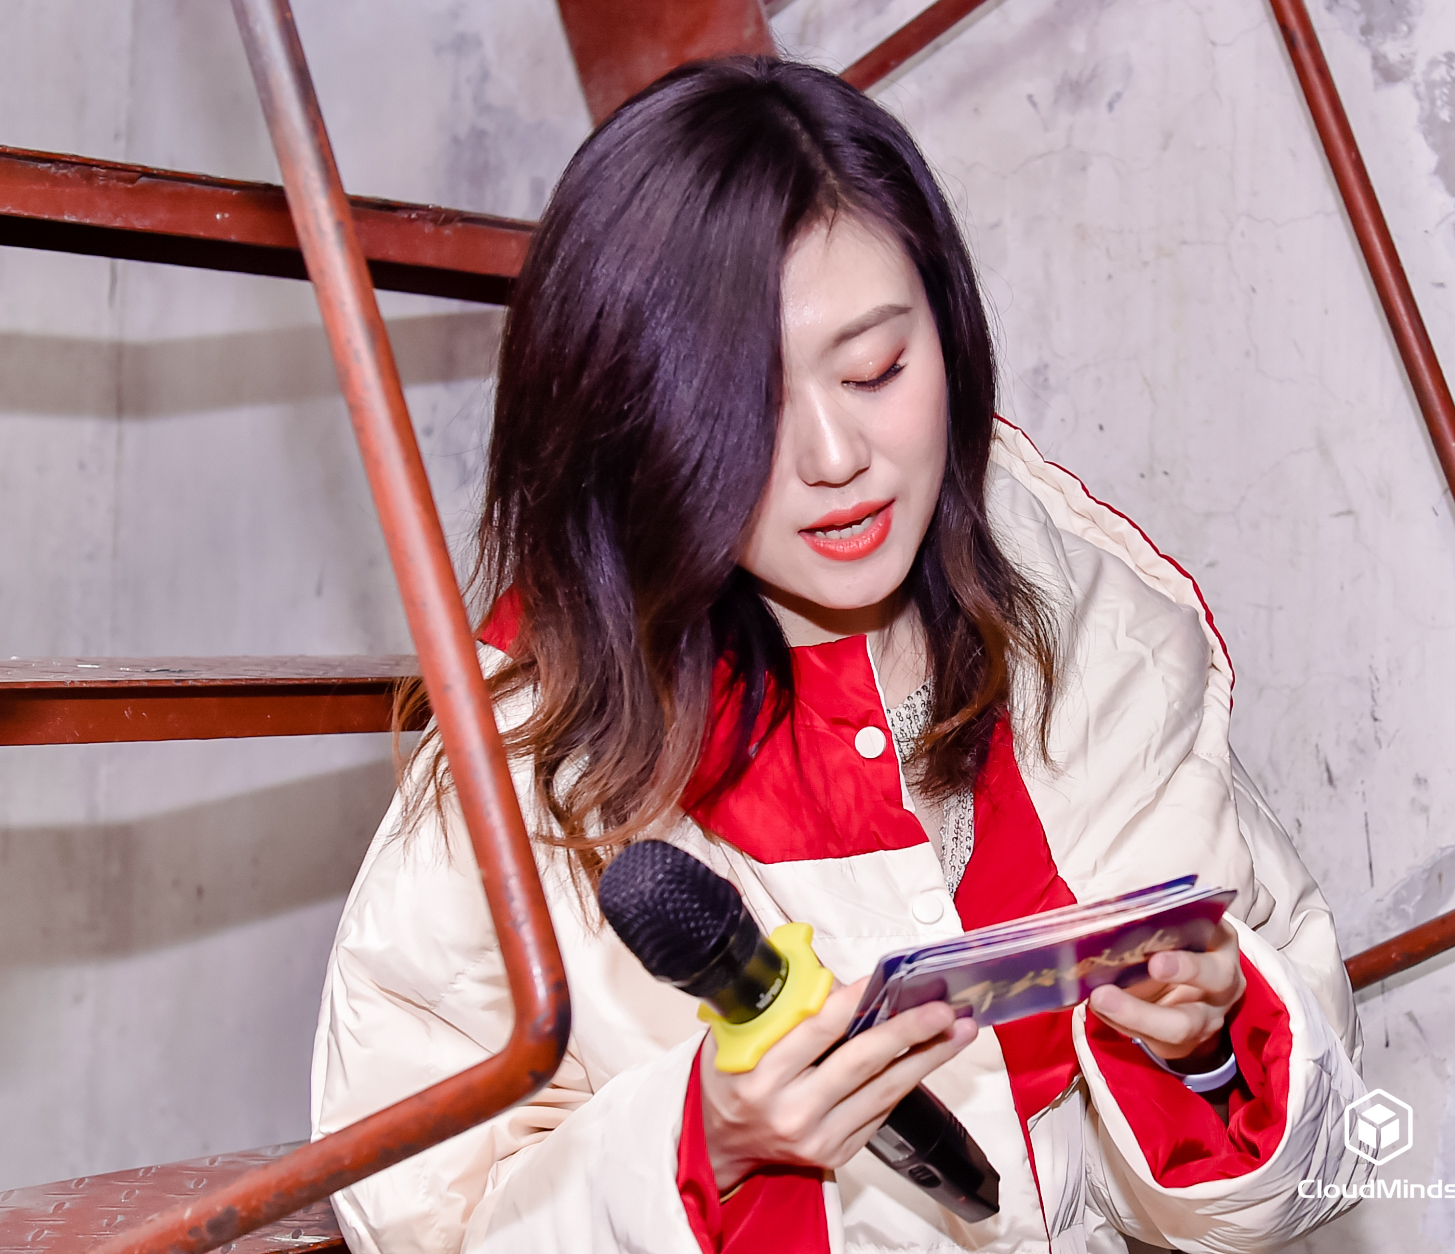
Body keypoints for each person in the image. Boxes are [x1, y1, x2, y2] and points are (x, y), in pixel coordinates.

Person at [312, 56, 1373, 1254]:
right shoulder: (529, 763)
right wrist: (702, 1149)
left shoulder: (1096, 637)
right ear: (637, 417)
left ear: (949, 332)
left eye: (874, 371)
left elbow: (1324, 1166)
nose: (835, 458)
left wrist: (1208, 1054)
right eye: (748, 407)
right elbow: (427, 1216)